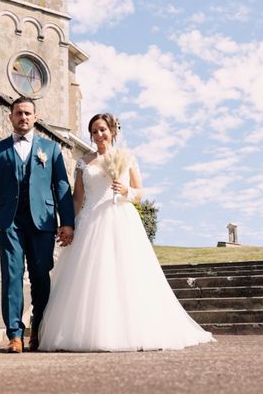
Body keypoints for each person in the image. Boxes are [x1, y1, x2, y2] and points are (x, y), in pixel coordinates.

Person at [39, 113, 214, 351]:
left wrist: (125, 191)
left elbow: (140, 192)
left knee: (127, 273)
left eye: (102, 130)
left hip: (121, 217)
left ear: (112, 131)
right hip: (91, 220)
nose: (98, 135)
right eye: (94, 131)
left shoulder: (127, 158)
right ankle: (87, 333)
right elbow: (78, 197)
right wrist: (69, 223)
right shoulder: (84, 162)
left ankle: (131, 330)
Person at [0, 97, 75, 353]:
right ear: (11, 117)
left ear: (35, 117)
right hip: (9, 222)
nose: (23, 117)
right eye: (19, 113)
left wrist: (67, 222)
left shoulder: (51, 149)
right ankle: (15, 334)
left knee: (41, 276)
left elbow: (62, 187)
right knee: (12, 276)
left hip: (42, 221)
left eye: (28, 113)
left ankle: (38, 330)